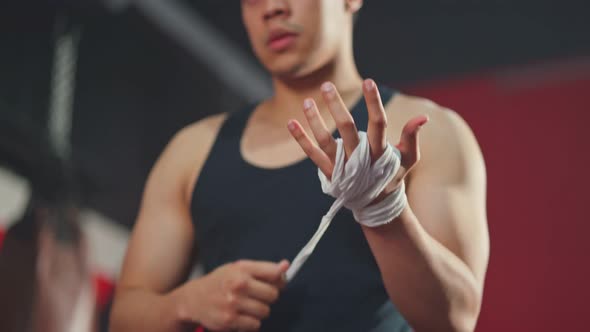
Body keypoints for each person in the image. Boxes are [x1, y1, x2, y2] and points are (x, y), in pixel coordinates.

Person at [110, 0, 489, 331]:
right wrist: (185, 303)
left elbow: (455, 320)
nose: (272, 7)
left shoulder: (424, 132)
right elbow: (124, 317)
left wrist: (383, 209)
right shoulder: (192, 151)